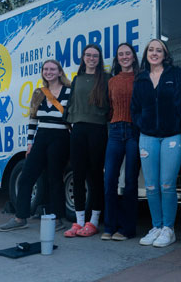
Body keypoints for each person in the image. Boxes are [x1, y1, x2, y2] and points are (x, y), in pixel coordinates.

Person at [0, 59, 72, 232]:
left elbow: (73, 115)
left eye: (53, 69)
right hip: (41, 137)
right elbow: (32, 119)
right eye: (46, 69)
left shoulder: (69, 91)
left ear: (60, 72)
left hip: (60, 137)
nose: (49, 72)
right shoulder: (39, 92)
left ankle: (57, 218)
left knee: (55, 178)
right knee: (26, 177)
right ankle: (20, 217)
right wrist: (29, 143)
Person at [131, 38, 181, 248]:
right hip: (147, 137)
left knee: (167, 184)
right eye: (151, 50)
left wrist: (180, 127)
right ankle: (156, 227)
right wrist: (141, 123)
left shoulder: (176, 75)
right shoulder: (140, 79)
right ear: (146, 54)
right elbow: (135, 108)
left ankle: (168, 229)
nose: (155, 53)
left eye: (159, 50)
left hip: (172, 136)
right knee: (151, 186)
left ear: (165, 55)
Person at [63, 44, 110, 238]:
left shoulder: (106, 79)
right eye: (88, 55)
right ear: (83, 58)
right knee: (78, 175)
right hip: (78, 129)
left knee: (96, 176)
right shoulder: (77, 79)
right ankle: (79, 221)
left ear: (99, 60)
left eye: (95, 56)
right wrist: (69, 123)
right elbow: (71, 104)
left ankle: (94, 221)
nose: (91, 58)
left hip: (98, 130)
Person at [101, 43, 140, 241]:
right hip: (115, 132)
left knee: (131, 182)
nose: (125, 57)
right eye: (121, 54)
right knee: (109, 180)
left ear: (133, 57)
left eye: (128, 53)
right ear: (117, 59)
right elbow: (108, 108)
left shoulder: (141, 79)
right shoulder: (112, 81)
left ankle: (127, 229)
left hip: (134, 132)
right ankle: (109, 226)